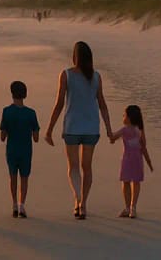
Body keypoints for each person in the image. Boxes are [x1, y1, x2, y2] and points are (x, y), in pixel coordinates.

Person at [44, 41, 113, 220]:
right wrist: (109, 129)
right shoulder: (96, 76)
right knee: (87, 167)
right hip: (91, 127)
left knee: (73, 167)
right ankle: (84, 204)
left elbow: (59, 104)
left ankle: (77, 199)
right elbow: (103, 105)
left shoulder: (66, 74)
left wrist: (49, 129)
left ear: (74, 57)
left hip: (72, 127)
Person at [0, 80, 40, 218]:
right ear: (25, 94)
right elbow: (36, 137)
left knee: (12, 177)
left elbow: (3, 137)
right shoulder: (31, 113)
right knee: (24, 177)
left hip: (12, 149)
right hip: (26, 150)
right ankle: (22, 205)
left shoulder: (6, 112)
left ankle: (14, 204)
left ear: (12, 94)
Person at [109, 105, 153, 219]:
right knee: (136, 182)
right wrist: (149, 162)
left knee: (126, 182)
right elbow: (144, 147)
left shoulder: (124, 130)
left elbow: (113, 138)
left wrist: (110, 133)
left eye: (124, 115)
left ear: (129, 118)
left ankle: (128, 207)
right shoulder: (140, 131)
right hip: (138, 160)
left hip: (127, 160)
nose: (123, 117)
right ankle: (133, 208)